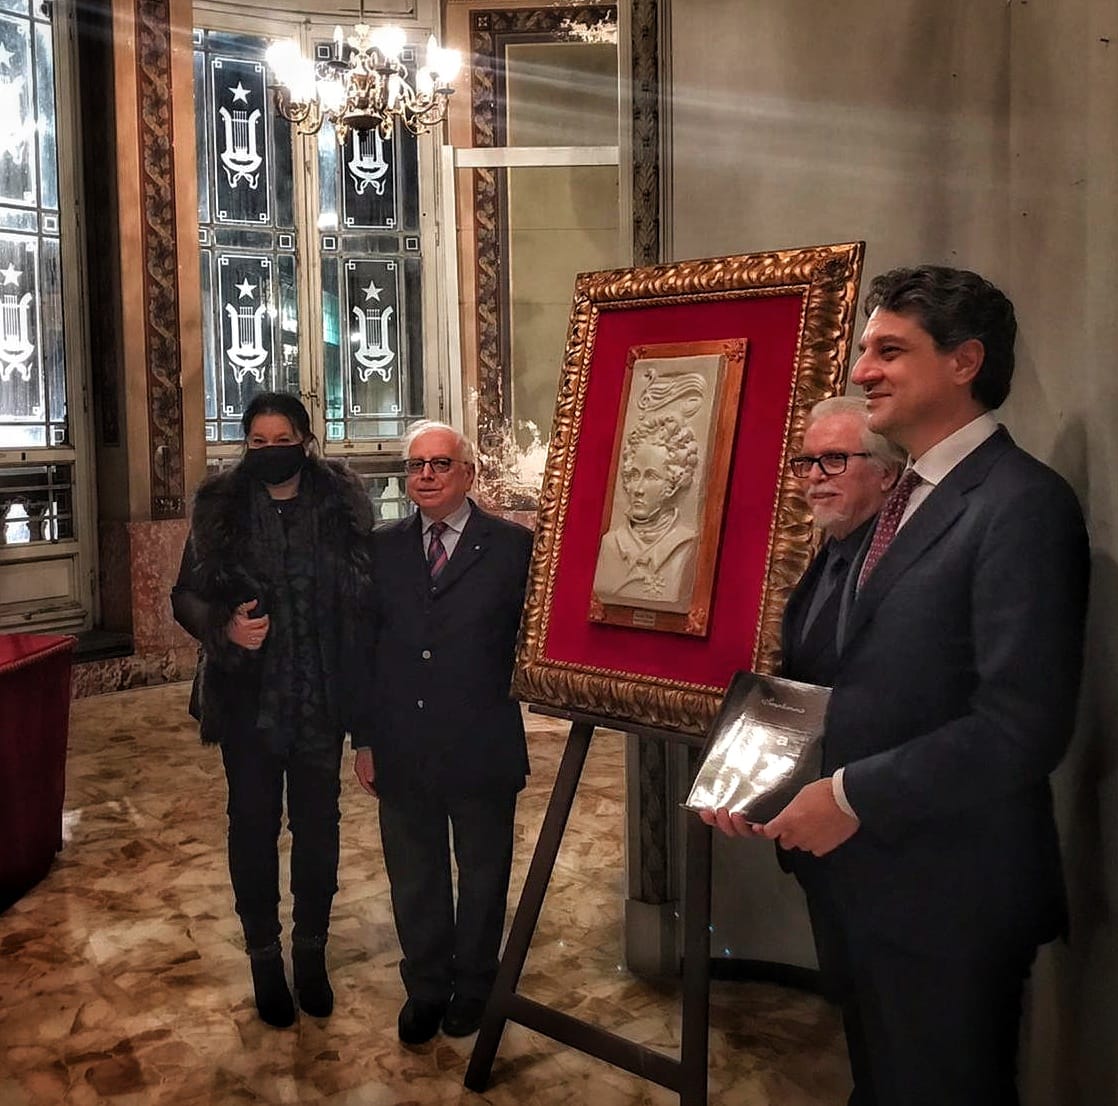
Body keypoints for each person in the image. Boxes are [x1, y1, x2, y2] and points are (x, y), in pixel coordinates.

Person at [705, 266, 1090, 1105]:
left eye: (889, 350)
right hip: (862, 878)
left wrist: (846, 797)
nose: (862, 370)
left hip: (950, 892)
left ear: (965, 362)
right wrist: (756, 776)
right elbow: (844, 675)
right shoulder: (901, 497)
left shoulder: (1020, 504)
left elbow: (1021, 726)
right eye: (864, 350)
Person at [171, 392, 374, 1028]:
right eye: (255, 441)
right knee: (253, 825)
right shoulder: (219, 508)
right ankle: (264, 954)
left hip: (321, 699)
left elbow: (364, 610)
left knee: (319, 826)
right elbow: (184, 597)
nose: (267, 450)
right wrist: (223, 627)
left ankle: (310, 948)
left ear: (306, 439)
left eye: (279, 438)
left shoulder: (342, 507)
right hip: (248, 705)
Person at [352, 420, 533, 1046]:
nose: (425, 475)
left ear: (469, 474)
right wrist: (365, 739)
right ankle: (426, 986)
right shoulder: (381, 546)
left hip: (481, 742)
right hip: (402, 742)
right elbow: (364, 648)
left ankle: (475, 988)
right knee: (415, 875)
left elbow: (532, 642)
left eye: (440, 465)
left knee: (483, 875)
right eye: (416, 466)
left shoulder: (513, 547)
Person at [780, 395, 905, 687]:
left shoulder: (900, 560)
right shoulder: (835, 547)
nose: (814, 476)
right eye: (807, 462)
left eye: (834, 459)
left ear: (886, 473)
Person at [592, 413, 701, 607]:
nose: (638, 489)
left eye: (651, 476)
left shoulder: (684, 546)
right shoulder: (611, 544)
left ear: (673, 483)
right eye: (634, 475)